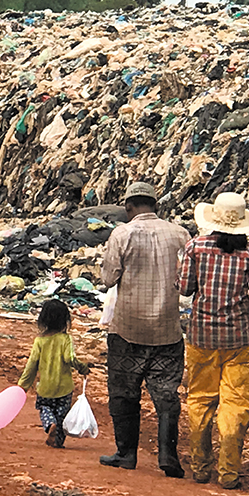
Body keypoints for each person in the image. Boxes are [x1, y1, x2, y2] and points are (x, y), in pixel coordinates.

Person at [180, 192, 249, 490]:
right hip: (240, 340)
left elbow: (186, 289)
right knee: (236, 406)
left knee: (200, 402)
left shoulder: (195, 247)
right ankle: (228, 474)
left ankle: (200, 468)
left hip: (201, 337)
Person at [99, 182, 191, 477]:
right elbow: (188, 280)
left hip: (128, 328)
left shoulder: (122, 233)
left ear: (128, 207)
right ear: (156, 205)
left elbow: (109, 279)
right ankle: (168, 456)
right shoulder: (180, 234)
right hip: (167, 329)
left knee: (124, 394)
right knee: (166, 395)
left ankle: (126, 454)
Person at [18, 299, 91, 448]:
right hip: (64, 388)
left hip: (45, 387)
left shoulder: (39, 341)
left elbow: (32, 365)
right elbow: (69, 358)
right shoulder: (66, 339)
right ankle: (58, 442)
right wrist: (82, 367)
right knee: (62, 415)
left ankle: (49, 423)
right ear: (65, 320)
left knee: (45, 408)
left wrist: (22, 386)